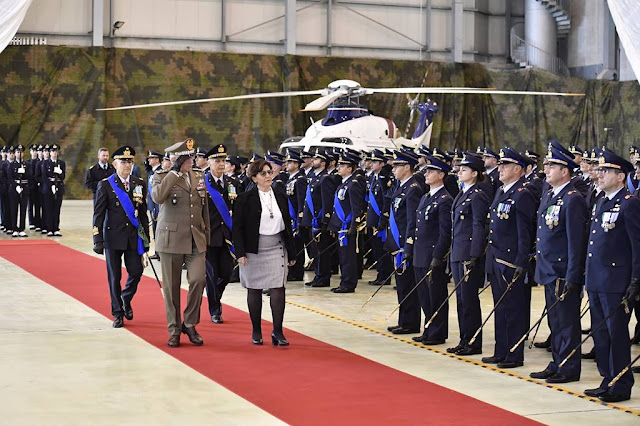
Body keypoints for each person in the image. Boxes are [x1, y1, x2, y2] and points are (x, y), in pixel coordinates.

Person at [582, 149, 640, 403]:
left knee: (616, 334)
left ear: (621, 176)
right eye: (601, 170)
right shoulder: (602, 201)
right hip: (597, 279)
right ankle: (607, 378)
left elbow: (637, 244)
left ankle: (621, 383)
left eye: (607, 171)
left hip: (617, 281)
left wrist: (636, 280)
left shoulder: (629, 202)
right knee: (601, 333)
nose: (600, 174)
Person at [529, 144, 588, 384]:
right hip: (549, 269)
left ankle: (569, 367)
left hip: (563, 271)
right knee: (555, 321)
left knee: (567, 323)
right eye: (546, 165)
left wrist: (573, 276)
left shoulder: (572, 199)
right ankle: (557, 362)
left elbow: (576, 242)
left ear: (565, 171)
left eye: (552, 165)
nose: (547, 169)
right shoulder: (549, 194)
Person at [151, 138, 210, 348]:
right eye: (187, 158)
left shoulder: (199, 176)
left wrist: (207, 237)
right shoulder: (161, 176)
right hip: (171, 240)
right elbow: (157, 197)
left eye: (192, 157)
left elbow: (204, 208)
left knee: (198, 279)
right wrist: (174, 173)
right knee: (171, 287)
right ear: (175, 159)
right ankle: (174, 329)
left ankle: (190, 323)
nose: (191, 161)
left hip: (195, 238)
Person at [482, 147, 535, 369]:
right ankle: (501, 350)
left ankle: (514, 353)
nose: (500, 168)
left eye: (505, 165)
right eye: (500, 164)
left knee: (515, 310)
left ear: (518, 169)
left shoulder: (523, 194)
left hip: (511, 261)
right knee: (500, 308)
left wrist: (522, 262)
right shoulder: (502, 191)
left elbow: (525, 232)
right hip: (496, 258)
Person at [232, 159, 296, 346]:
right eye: (263, 174)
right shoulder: (245, 198)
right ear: (254, 178)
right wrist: (240, 252)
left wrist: (292, 253)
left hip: (276, 246)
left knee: (278, 288)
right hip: (253, 248)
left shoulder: (281, 195)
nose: (268, 176)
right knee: (254, 289)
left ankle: (278, 331)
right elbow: (237, 228)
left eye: (270, 172)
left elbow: (288, 227)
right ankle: (256, 330)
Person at [92, 146, 149, 328]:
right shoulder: (106, 185)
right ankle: (117, 313)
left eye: (130, 161)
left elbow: (142, 214)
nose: (127, 165)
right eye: (123, 161)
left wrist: (146, 241)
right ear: (115, 163)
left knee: (136, 271)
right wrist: (97, 238)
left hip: (132, 237)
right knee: (114, 277)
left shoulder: (139, 184)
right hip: (113, 237)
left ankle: (126, 297)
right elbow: (98, 214)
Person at [447, 153, 489, 356]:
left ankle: (473, 341)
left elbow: (478, 226)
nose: (460, 172)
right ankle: (464, 339)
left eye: (464, 169)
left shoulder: (478, 194)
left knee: (469, 299)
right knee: (461, 299)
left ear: (474, 173)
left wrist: (474, 254)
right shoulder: (463, 193)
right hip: (457, 251)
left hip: (467, 253)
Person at [410, 155, 453, 345]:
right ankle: (428, 328)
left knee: (436, 296)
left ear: (441, 175)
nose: (426, 174)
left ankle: (437, 332)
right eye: (426, 171)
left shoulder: (445, 200)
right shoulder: (426, 197)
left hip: (432, 254)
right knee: (424, 297)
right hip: (420, 253)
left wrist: (438, 256)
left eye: (431, 171)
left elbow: (445, 233)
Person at [385, 150, 425, 335]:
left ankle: (410, 322)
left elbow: (411, 220)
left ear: (407, 167)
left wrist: (408, 245)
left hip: (404, 243)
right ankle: (404, 320)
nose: (393, 169)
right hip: (397, 243)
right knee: (401, 284)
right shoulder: (401, 186)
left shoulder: (413, 188)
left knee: (408, 285)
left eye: (397, 166)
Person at [203, 144, 236, 324]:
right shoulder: (202, 184)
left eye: (223, 160)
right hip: (209, 237)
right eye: (217, 160)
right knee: (212, 274)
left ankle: (215, 297)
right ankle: (215, 309)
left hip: (227, 237)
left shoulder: (232, 184)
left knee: (227, 273)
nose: (221, 164)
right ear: (209, 162)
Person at [327, 151, 366, 293]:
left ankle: (349, 283)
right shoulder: (344, 183)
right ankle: (344, 281)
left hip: (347, 225)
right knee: (343, 256)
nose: (338, 167)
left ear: (350, 168)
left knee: (348, 257)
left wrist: (354, 225)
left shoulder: (353, 184)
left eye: (342, 165)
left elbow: (357, 207)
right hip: (341, 225)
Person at [366, 149, 394, 286]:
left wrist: (383, 220)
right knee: (377, 250)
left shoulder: (385, 180)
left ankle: (385, 276)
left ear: (382, 164)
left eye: (375, 162)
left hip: (381, 220)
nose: (371, 164)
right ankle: (380, 274)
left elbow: (386, 201)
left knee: (383, 251)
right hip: (373, 219)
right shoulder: (373, 179)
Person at [284, 149, 308, 282]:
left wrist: (300, 218)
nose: (286, 164)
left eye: (290, 162)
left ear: (296, 164)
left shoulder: (300, 180)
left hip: (296, 217)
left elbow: (301, 200)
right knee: (292, 245)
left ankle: (297, 272)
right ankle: (293, 271)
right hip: (290, 216)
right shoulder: (291, 179)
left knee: (297, 245)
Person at [6, 145, 32, 237]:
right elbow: (9, 177)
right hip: (14, 189)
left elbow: (30, 176)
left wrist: (24, 171)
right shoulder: (11, 165)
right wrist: (16, 186)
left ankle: (21, 228)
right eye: (17, 152)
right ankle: (14, 228)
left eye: (21, 152)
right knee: (14, 209)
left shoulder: (27, 164)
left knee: (23, 209)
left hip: (24, 188)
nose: (19, 154)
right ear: (15, 153)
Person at [41, 144, 65, 237]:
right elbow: (44, 176)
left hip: (58, 186)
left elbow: (63, 177)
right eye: (52, 151)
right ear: (50, 153)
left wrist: (60, 172)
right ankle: (49, 228)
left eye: (56, 151)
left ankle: (56, 228)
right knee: (48, 209)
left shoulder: (61, 163)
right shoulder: (45, 163)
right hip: (48, 188)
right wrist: (50, 186)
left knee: (56, 209)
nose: (54, 153)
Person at [146, 150, 163, 259]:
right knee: (155, 230)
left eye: (151, 158)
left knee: (158, 230)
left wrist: (156, 209)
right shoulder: (152, 172)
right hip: (153, 205)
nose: (148, 160)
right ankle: (157, 251)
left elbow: (158, 193)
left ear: (157, 159)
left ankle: (160, 252)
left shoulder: (159, 172)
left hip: (157, 206)